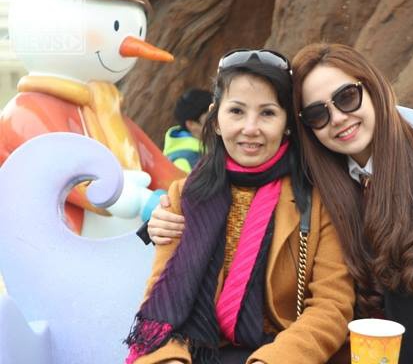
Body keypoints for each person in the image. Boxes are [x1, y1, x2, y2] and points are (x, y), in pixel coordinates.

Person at [148, 43, 413, 364]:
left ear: (373, 89)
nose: (338, 118)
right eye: (318, 114)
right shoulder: (325, 184)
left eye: (347, 97)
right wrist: (157, 220)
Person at [125, 49, 354, 364]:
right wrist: (170, 359)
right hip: (195, 353)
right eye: (236, 111)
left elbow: (332, 305)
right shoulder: (186, 195)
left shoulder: (317, 197)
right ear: (216, 119)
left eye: (267, 113)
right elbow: (160, 297)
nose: (250, 128)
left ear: (287, 123)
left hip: (280, 353)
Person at [163, 88, 212, 173]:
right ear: (191, 124)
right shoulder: (183, 162)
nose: (218, 122)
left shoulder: (208, 145)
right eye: (210, 119)